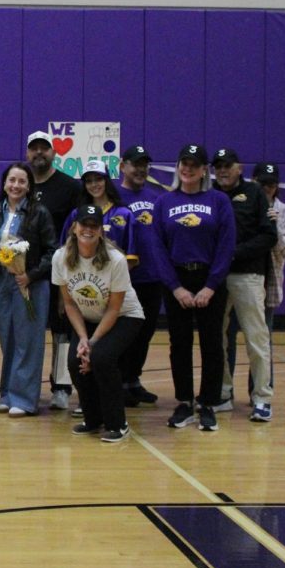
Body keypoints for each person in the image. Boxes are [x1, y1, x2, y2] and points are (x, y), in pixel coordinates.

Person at [153, 144, 237, 433]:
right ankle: (184, 401)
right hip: (177, 281)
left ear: (204, 170)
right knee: (180, 343)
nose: (187, 169)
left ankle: (209, 403)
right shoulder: (164, 202)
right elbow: (158, 248)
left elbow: (226, 245)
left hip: (208, 281)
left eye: (194, 164)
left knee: (212, 344)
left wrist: (211, 286)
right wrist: (175, 288)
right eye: (183, 163)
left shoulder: (219, 201)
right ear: (178, 167)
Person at [55, 205, 146, 443]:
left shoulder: (115, 260)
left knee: (102, 358)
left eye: (94, 225)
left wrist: (93, 342)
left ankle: (118, 423)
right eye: (83, 224)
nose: (88, 229)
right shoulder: (61, 257)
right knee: (75, 362)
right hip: (86, 317)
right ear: (74, 228)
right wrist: (83, 339)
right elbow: (69, 304)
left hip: (125, 316)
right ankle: (93, 419)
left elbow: (115, 308)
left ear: (100, 231)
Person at [0, 162, 57, 418]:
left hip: (31, 282)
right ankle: (7, 393)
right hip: (3, 282)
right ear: (4, 183)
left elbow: (52, 251)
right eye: (11, 180)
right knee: (9, 339)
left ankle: (25, 399)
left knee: (28, 341)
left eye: (21, 181)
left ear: (29, 186)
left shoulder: (40, 213)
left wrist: (31, 275)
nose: (16, 185)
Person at [211, 148, 277, 422]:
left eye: (228, 165)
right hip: (215, 278)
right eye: (218, 166)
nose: (223, 170)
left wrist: (235, 253)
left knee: (256, 337)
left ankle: (262, 397)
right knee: (217, 338)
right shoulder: (209, 194)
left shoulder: (255, 194)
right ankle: (224, 393)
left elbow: (268, 236)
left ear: (239, 167)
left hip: (247, 275)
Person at [226, 162, 285, 398]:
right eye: (262, 184)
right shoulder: (243, 204)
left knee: (260, 340)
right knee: (227, 337)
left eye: (271, 185)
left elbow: (284, 251)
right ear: (253, 183)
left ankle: (261, 392)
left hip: (267, 284)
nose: (266, 189)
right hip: (237, 278)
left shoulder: (283, 211)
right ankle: (225, 392)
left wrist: (272, 227)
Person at [27, 130, 81, 411]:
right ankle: (25, 388)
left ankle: (61, 386)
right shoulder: (20, 183)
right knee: (28, 333)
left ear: (54, 153)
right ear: (27, 154)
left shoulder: (70, 187)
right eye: (34, 149)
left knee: (62, 333)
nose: (39, 153)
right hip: (27, 276)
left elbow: (76, 233)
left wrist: (68, 280)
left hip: (59, 274)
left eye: (44, 149)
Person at [116, 145, 165, 407]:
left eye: (145, 165)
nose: (141, 169)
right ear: (123, 165)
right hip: (125, 278)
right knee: (124, 333)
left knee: (145, 333)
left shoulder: (157, 197)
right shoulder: (114, 195)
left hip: (152, 276)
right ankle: (120, 380)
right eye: (136, 164)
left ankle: (133, 380)